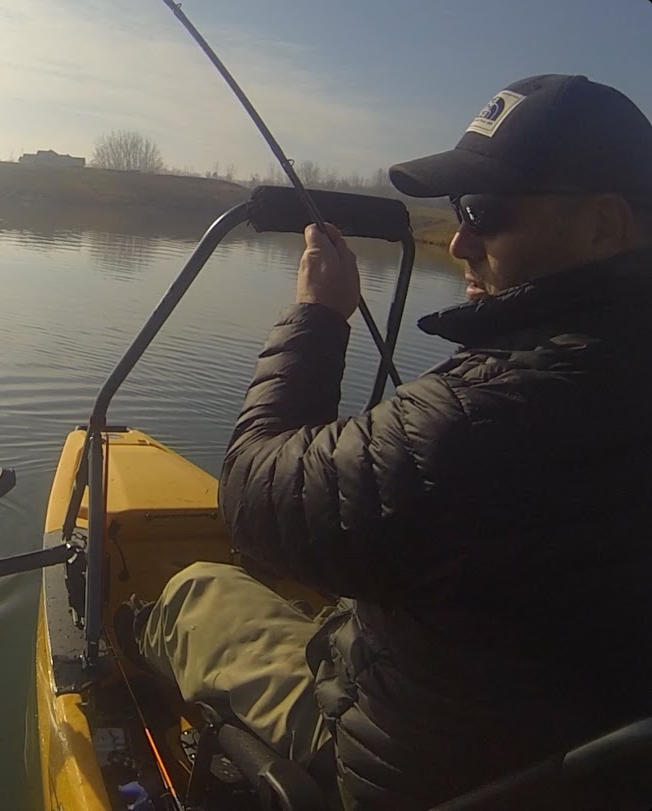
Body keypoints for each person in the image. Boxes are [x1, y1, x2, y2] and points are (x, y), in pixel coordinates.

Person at [123, 73, 652, 810]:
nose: (460, 238)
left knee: (192, 593)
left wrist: (317, 318)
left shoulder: (486, 420)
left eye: (485, 211)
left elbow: (251, 500)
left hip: (398, 774)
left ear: (604, 225)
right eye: (456, 211)